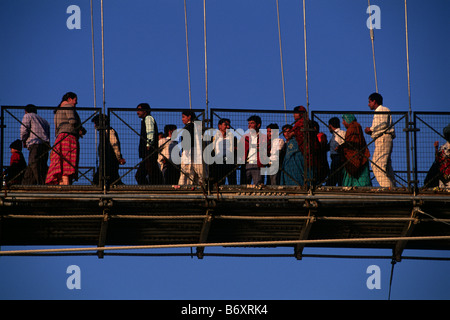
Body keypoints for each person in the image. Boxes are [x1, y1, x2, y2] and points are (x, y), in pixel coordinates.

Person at [46, 92, 86, 185]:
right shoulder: (68, 106)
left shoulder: (58, 111)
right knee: (68, 163)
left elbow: (56, 129)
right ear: (69, 99)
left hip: (59, 138)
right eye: (75, 100)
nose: (76, 103)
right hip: (69, 137)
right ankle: (67, 185)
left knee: (60, 163)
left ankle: (62, 184)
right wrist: (81, 129)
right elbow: (72, 121)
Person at [364, 92, 396, 188]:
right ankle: (393, 187)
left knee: (377, 165)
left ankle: (388, 188)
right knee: (386, 167)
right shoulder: (380, 110)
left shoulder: (382, 109)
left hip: (383, 139)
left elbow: (383, 124)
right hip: (382, 139)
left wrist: (371, 129)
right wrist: (372, 131)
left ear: (374, 101)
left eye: (369, 102)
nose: (368, 104)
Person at [92, 114, 126, 186]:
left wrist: (119, 158)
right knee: (112, 179)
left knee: (98, 179)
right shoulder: (106, 132)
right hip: (107, 161)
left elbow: (115, 145)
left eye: (96, 123)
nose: (95, 126)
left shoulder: (109, 131)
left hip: (109, 161)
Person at [20, 104, 51, 185]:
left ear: (26, 111)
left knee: (34, 164)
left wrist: (23, 140)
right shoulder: (44, 121)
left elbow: (24, 129)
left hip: (35, 144)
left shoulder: (28, 116)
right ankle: (28, 183)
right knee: (42, 165)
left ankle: (40, 184)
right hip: (45, 145)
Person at [135, 103, 163, 185]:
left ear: (145, 111)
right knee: (151, 170)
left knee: (144, 173)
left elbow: (150, 132)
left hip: (149, 150)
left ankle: (150, 188)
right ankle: (154, 186)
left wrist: (149, 144)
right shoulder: (145, 119)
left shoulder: (148, 118)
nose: (137, 112)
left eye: (139, 110)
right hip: (148, 151)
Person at [340, 114, 371, 187]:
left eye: (344, 120)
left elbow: (351, 143)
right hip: (359, 156)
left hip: (354, 158)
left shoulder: (352, 127)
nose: (343, 123)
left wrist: (341, 147)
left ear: (348, 120)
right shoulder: (356, 126)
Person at [292, 106, 319, 185]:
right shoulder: (307, 122)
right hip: (308, 151)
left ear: (300, 114)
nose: (293, 115)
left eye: (295, 113)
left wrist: (292, 133)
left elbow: (297, 132)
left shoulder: (301, 123)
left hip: (306, 150)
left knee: (308, 169)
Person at [178, 109, 203, 185]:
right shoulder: (196, 126)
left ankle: (184, 185)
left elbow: (188, 138)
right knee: (194, 170)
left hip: (189, 151)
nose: (182, 119)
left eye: (183, 117)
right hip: (196, 151)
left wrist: (186, 149)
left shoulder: (190, 126)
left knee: (186, 170)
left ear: (189, 117)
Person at [241, 115, 267, 185]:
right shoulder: (244, 137)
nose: (249, 126)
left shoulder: (264, 137)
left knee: (258, 187)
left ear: (258, 125)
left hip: (258, 164)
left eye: (252, 123)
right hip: (246, 164)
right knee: (244, 187)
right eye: (249, 123)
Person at [210, 118, 237, 185]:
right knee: (219, 182)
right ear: (219, 126)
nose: (228, 127)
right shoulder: (213, 138)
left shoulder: (233, 138)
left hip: (230, 163)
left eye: (228, 125)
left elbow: (237, 150)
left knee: (232, 182)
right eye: (225, 125)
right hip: (218, 163)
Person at [326, 117, 345, 186]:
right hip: (335, 158)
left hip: (338, 157)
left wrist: (340, 147)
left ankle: (330, 186)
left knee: (334, 174)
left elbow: (345, 144)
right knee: (337, 175)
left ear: (330, 126)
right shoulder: (334, 135)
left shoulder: (341, 133)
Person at [312, 121, 329, 185]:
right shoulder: (319, 136)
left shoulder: (320, 136)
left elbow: (321, 146)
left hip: (321, 162)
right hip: (319, 162)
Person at [433, 124, 450, 188]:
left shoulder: (443, 147)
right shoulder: (443, 147)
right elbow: (437, 160)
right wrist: (436, 149)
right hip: (443, 176)